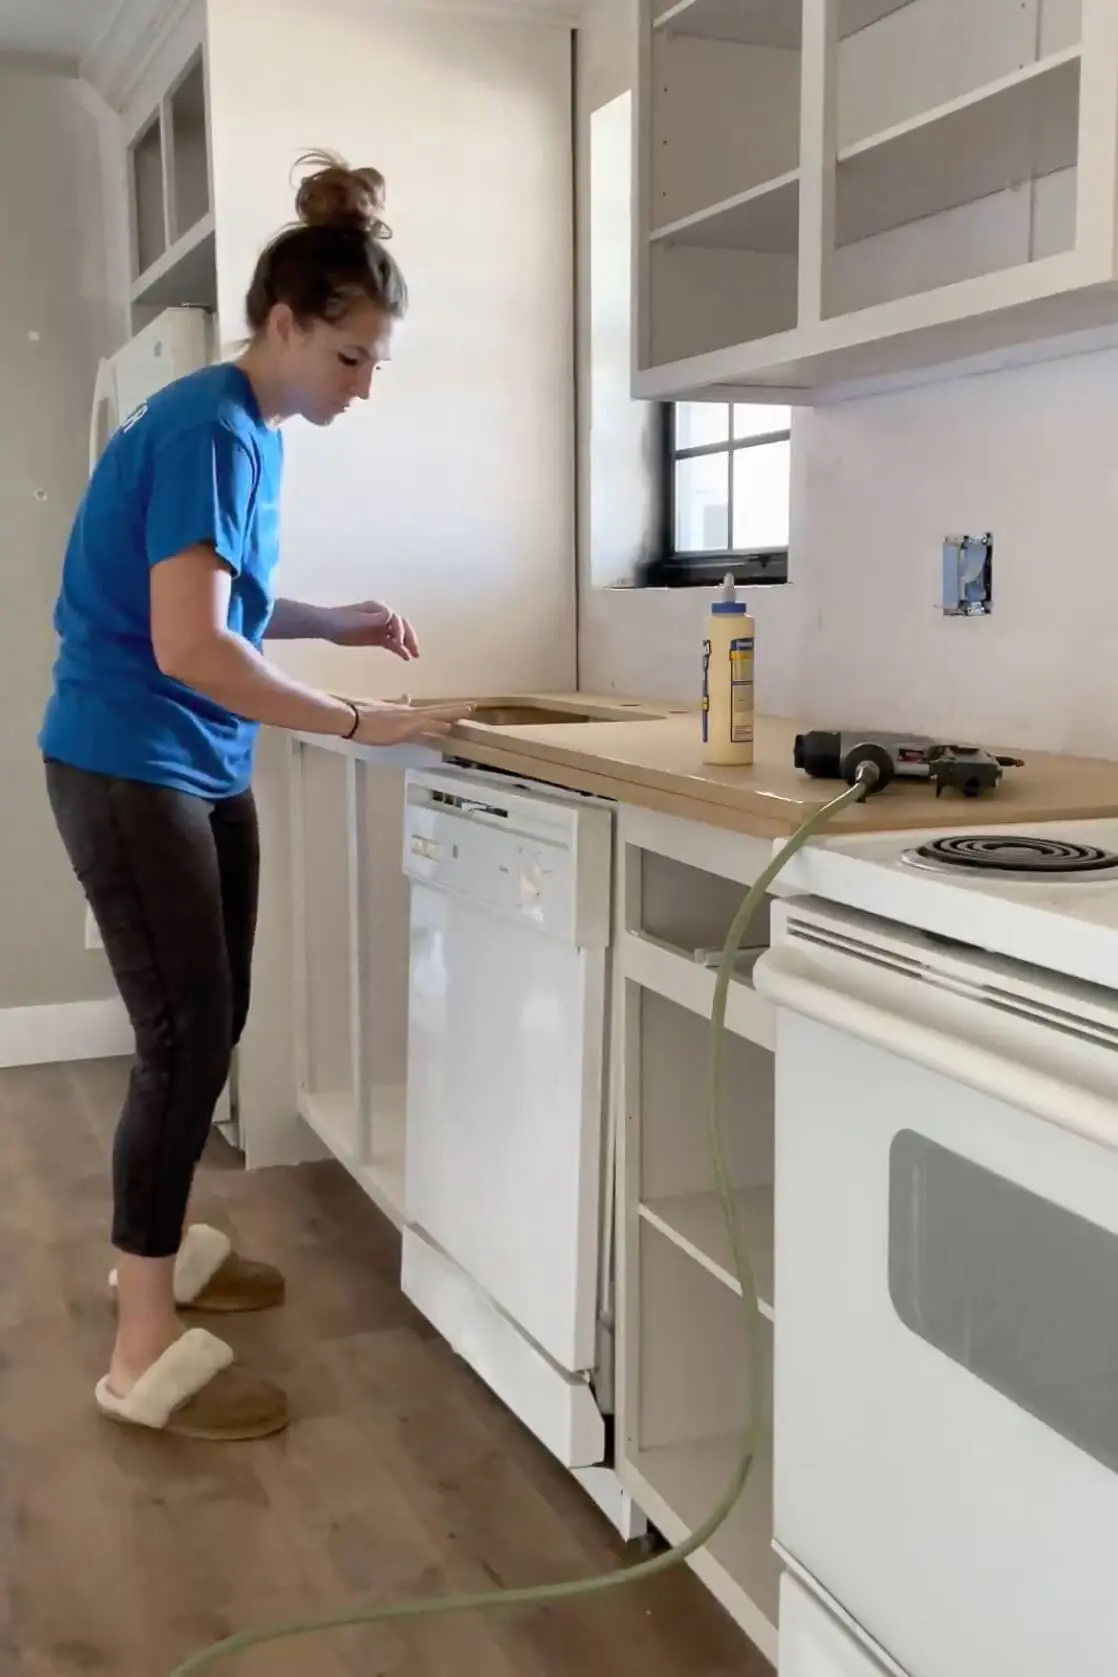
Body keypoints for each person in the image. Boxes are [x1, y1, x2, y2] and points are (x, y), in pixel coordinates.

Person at [39, 151, 471, 1442]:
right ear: (284, 325)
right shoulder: (209, 426)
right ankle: (139, 1345)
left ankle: (158, 1250)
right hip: (131, 761)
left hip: (196, 760)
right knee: (183, 1038)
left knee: (213, 1024)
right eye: (352, 357)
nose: (364, 385)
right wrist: (359, 720)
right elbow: (185, 646)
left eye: (376, 360)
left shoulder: (248, 430)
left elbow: (215, 598)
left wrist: (330, 618)